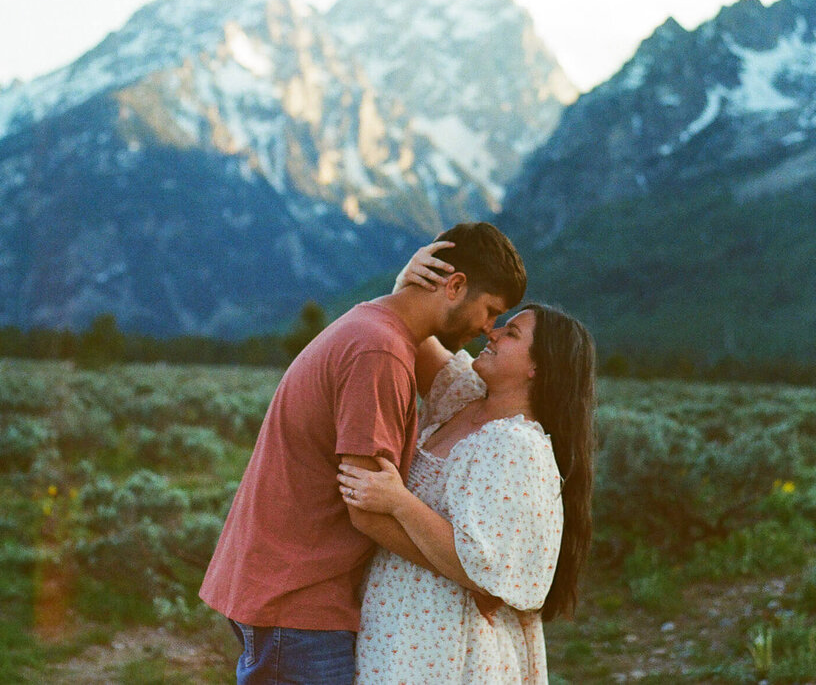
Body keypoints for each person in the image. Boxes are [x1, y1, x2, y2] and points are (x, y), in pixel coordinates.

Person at [199, 223, 526, 685]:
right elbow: (368, 510)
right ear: (454, 286)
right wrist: (471, 577)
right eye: (491, 310)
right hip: (299, 603)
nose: (487, 329)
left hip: (289, 594)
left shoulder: (374, 327)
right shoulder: (380, 352)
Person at [337, 241, 596, 684]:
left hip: (445, 641)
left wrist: (399, 501)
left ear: (539, 367)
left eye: (511, 333)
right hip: (402, 625)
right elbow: (413, 333)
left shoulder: (517, 445)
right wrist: (409, 284)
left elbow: (481, 566)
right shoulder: (467, 397)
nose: (491, 333)